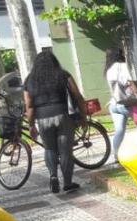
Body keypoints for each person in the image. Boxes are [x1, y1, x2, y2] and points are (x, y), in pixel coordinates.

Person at [23, 51, 87, 194]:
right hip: (63, 115)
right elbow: (77, 96)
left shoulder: (29, 80)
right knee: (65, 151)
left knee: (49, 149)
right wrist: (83, 116)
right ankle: (68, 183)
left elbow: (29, 105)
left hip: (42, 118)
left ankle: (53, 176)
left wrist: (31, 124)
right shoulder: (63, 75)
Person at [104, 48, 137, 161]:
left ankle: (117, 156)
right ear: (120, 55)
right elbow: (129, 82)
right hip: (128, 104)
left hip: (114, 104)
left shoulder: (108, 70)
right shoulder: (122, 66)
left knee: (119, 130)